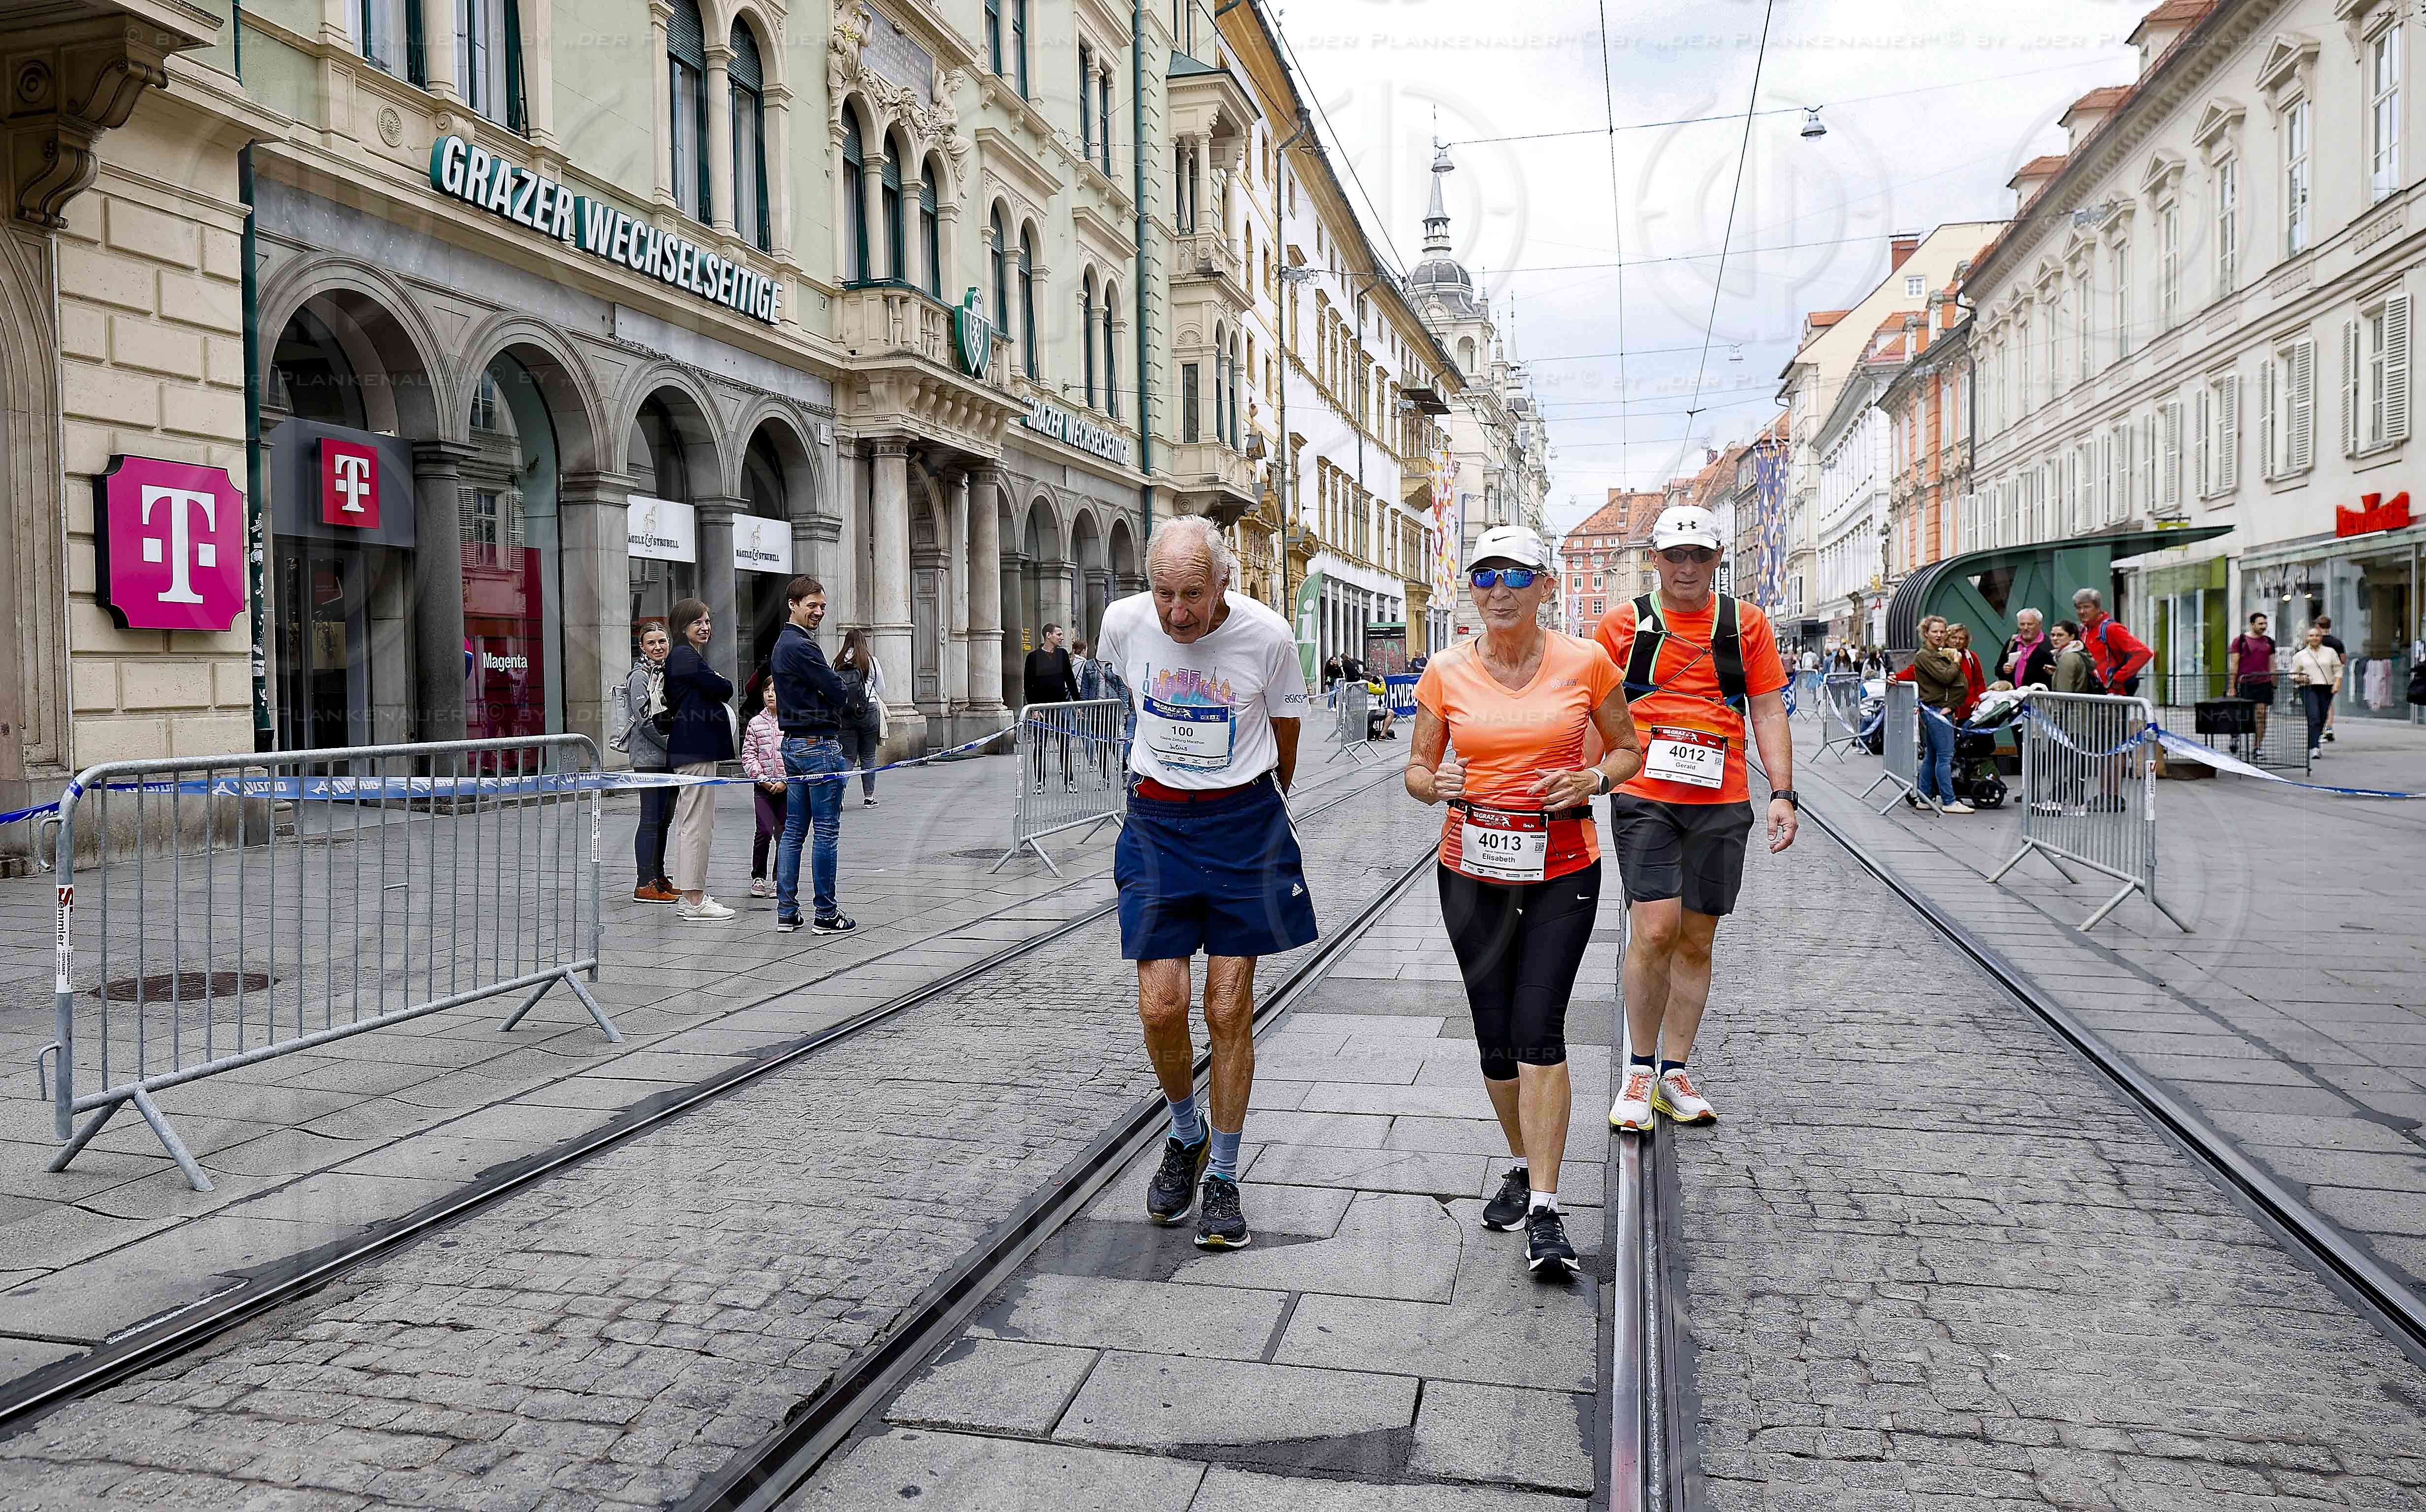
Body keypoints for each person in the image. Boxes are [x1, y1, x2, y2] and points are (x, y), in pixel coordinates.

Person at [1407, 525, 1643, 1278]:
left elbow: (1628, 749)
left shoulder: (1587, 662)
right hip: (1470, 871)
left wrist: (1594, 780)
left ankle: (1545, 1207)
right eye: (1484, 576)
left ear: (1545, 585)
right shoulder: (1445, 671)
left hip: (1562, 868)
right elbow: (1418, 769)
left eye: (1514, 575)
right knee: (1495, 1039)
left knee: (1539, 1030)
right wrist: (1434, 784)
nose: (1498, 590)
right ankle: (1521, 1160)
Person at [1097, 515, 1316, 1252]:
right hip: (1157, 825)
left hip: (1241, 825)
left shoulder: (1268, 637)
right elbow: (1131, 701)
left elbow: (1286, 740)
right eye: (1163, 594)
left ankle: (1222, 1173)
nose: (1177, 612)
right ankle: (1184, 1133)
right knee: (1161, 1007)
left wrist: (1248, 804)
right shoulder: (1123, 624)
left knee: (1227, 1007)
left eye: (1192, 594)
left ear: (1225, 581)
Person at [1595, 504, 1797, 1134]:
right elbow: (1593, 711)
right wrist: (1580, 785)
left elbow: (1766, 709)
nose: (1686, 567)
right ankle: (1638, 1069)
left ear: (1717, 560)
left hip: (1720, 798)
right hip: (1645, 794)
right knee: (1655, 929)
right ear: (1653, 558)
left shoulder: (1746, 624)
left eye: (1699, 556)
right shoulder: (1622, 625)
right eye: (1674, 555)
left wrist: (1782, 792)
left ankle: (1674, 1072)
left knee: (1696, 938)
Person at [771, 577, 855, 935]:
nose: (819, 612)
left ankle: (787, 912)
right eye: (812, 605)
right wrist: (835, 691)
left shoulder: (783, 643)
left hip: (794, 743)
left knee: (794, 830)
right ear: (793, 604)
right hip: (817, 745)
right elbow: (837, 690)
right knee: (825, 831)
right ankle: (826, 914)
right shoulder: (802, 646)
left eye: (822, 606)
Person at [663, 598, 736, 922]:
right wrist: (718, 679)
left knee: (690, 822)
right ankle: (695, 900)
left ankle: (688, 895)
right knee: (697, 824)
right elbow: (724, 687)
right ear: (682, 627)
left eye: (707, 621)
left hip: (691, 748)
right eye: (698, 622)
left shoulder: (684, 655)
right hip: (696, 749)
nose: (705, 627)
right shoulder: (685, 656)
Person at [613, 622, 677, 903]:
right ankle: (644, 883)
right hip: (650, 759)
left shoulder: (665, 673)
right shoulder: (639, 676)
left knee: (664, 820)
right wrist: (675, 747)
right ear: (642, 647)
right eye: (651, 643)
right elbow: (645, 722)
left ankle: (659, 877)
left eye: (662, 641)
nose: (658, 647)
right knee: (651, 819)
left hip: (668, 758)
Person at [1906, 617, 1973, 814]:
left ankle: (1924, 797)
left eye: (1943, 632)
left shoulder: (1936, 653)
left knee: (1933, 756)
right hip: (1937, 710)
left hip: (1940, 709)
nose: (1939, 635)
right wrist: (1957, 662)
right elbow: (1946, 677)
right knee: (1945, 757)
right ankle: (1949, 801)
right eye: (1935, 631)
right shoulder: (1925, 656)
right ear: (1926, 633)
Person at [739, 672, 785, 898]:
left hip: (787, 787)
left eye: (775, 691)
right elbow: (748, 754)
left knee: (784, 833)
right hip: (763, 788)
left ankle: (780, 878)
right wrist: (762, 779)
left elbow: (795, 753)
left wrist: (785, 780)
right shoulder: (755, 723)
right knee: (764, 831)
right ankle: (758, 876)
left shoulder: (791, 722)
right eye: (767, 691)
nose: (770, 695)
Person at [1023, 623, 1082, 792]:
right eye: (1059, 634)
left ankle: (1069, 781)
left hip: (1060, 707)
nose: (1062, 638)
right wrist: (1034, 708)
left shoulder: (1062, 655)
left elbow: (1070, 680)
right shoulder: (1033, 657)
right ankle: (1040, 782)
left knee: (1064, 745)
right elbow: (1028, 685)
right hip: (1041, 709)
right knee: (1040, 746)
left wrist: (1078, 704)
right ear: (1048, 636)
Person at [834, 629, 887, 808]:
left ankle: (839, 796)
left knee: (847, 756)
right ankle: (869, 798)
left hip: (845, 713)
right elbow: (882, 688)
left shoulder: (837, 662)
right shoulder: (871, 661)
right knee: (868, 756)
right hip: (868, 710)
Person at [2072, 588, 2151, 697]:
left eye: (2087, 607)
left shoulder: (2111, 629)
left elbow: (2144, 653)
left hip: (2111, 694)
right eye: (2079, 608)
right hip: (2091, 692)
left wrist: (2118, 678)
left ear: (2098, 607)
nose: (2082, 612)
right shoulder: (2083, 630)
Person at [2291, 624, 2344, 759]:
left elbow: (2338, 669)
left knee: (2322, 716)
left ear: (2321, 638)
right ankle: (2315, 747)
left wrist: (2337, 684)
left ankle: (2314, 741)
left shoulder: (2330, 652)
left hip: (2326, 687)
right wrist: (2300, 678)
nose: (2314, 638)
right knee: (2313, 716)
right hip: (2308, 688)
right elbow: (2293, 673)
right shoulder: (2300, 655)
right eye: (2311, 636)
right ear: (2307, 638)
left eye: (2317, 636)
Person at [2229, 612, 2276, 749]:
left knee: (2261, 715)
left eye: (2265, 624)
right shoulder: (2240, 641)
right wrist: (2232, 687)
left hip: (2264, 684)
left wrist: (2274, 683)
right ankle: (2235, 735)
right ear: (2252, 624)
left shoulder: (2269, 642)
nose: (2264, 626)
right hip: (2245, 683)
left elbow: (2272, 664)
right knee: (2242, 715)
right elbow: (2234, 665)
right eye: (2261, 624)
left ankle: (2257, 747)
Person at [2314, 615, 2347, 743]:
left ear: (2318, 627)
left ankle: (2322, 729)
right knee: (2329, 702)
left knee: (2318, 702)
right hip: (2333, 675)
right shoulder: (2337, 642)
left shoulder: (2316, 641)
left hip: (2318, 674)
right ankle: (2328, 728)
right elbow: (2343, 659)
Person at [2002, 608, 2055, 689]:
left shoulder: (2049, 646)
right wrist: (2004, 669)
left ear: (2040, 624)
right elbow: (1998, 669)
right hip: (2013, 694)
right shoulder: (2013, 642)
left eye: (2030, 624)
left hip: (2038, 694)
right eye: (2022, 624)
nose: (2026, 628)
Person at [1945, 624, 1987, 720]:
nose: (1957, 641)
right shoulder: (1940, 656)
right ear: (1947, 639)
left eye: (1961, 639)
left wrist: (1978, 699)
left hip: (1969, 711)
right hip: (1947, 710)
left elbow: (1979, 682)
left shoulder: (1971, 657)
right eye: (1954, 638)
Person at [2047, 620, 2099, 693]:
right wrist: (2057, 672)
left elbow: (2063, 693)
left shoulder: (2068, 657)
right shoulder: (2074, 653)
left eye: (2060, 635)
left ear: (2072, 637)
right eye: (2053, 635)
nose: (2055, 638)